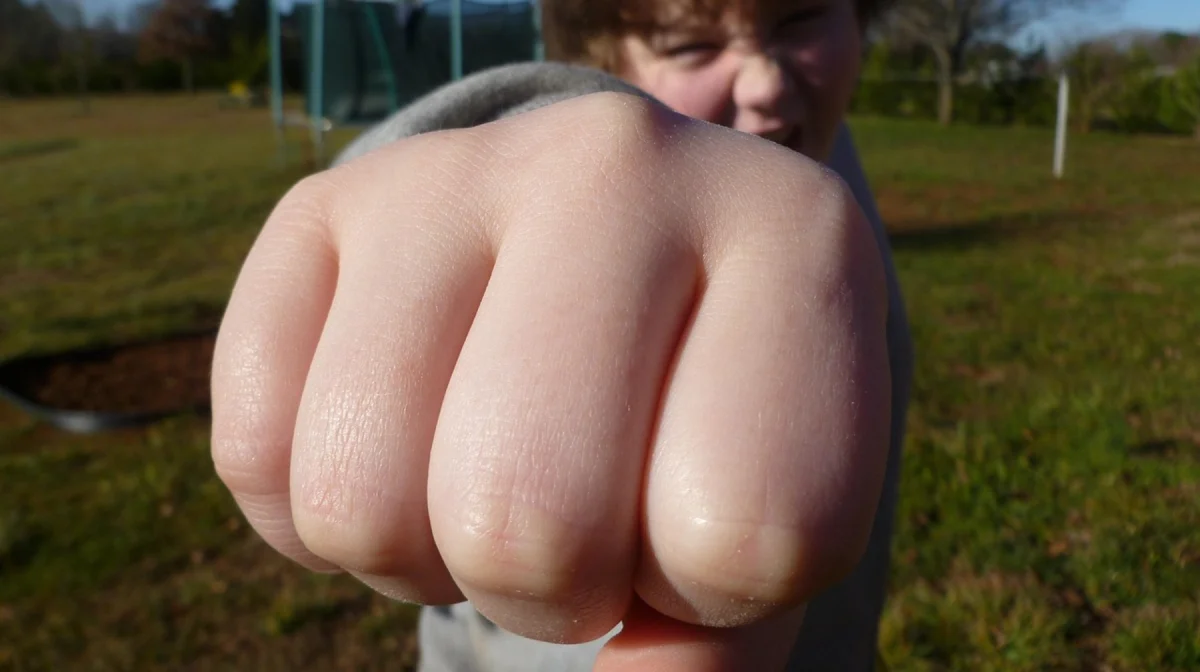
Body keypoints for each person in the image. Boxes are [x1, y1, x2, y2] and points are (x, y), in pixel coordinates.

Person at [210, 0, 913, 670]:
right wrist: (537, 127)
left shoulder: (818, 155)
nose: (765, 82)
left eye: (801, 19)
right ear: (605, 54)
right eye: (690, 44)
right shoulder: (732, 134)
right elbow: (580, 139)